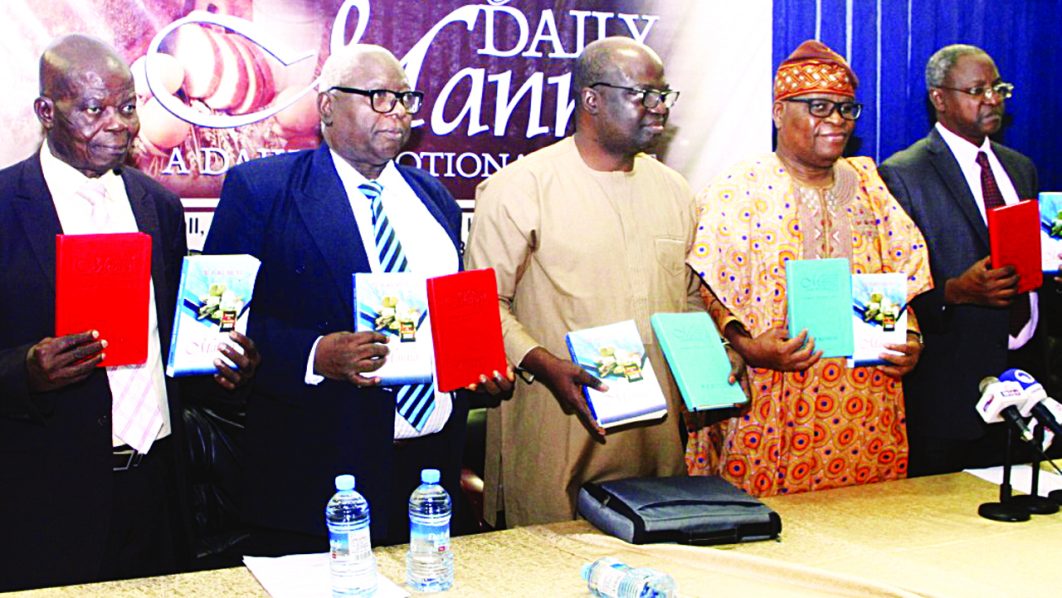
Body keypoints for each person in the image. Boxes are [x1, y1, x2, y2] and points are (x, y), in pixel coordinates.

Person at [203, 43, 512, 551]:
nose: (398, 112)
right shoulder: (262, 190)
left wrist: (478, 370)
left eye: (406, 99)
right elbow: (214, 325)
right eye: (379, 97)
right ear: (327, 106)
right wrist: (313, 354)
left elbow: (450, 320)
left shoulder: (433, 198)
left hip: (429, 471)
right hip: (316, 477)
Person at [0, 35, 258, 591]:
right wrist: (25, 371)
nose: (119, 124)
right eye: (94, 109)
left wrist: (220, 366)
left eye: (127, 106)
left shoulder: (157, 205)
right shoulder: (3, 206)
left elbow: (171, 349)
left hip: (158, 490)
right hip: (45, 499)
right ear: (47, 111)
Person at [465, 36, 742, 527]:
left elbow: (687, 298)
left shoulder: (674, 190)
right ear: (591, 99)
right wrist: (545, 363)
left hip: (656, 438)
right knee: (552, 554)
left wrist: (714, 355)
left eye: (663, 95)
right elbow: (480, 306)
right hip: (558, 420)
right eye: (643, 95)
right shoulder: (520, 187)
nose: (659, 108)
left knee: (657, 553)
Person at [685, 40, 933, 497]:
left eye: (846, 108)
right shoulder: (740, 188)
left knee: (868, 517)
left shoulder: (870, 185)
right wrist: (748, 345)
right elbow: (708, 287)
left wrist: (911, 339)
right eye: (819, 107)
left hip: (863, 398)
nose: (837, 120)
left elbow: (900, 274)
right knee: (767, 523)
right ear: (779, 112)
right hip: (771, 391)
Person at [879, 45, 1045, 476]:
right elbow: (894, 287)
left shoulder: (1020, 168)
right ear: (939, 98)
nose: (992, 100)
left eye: (998, 88)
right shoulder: (904, 173)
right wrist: (955, 292)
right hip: (951, 394)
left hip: (1026, 380)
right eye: (976, 90)